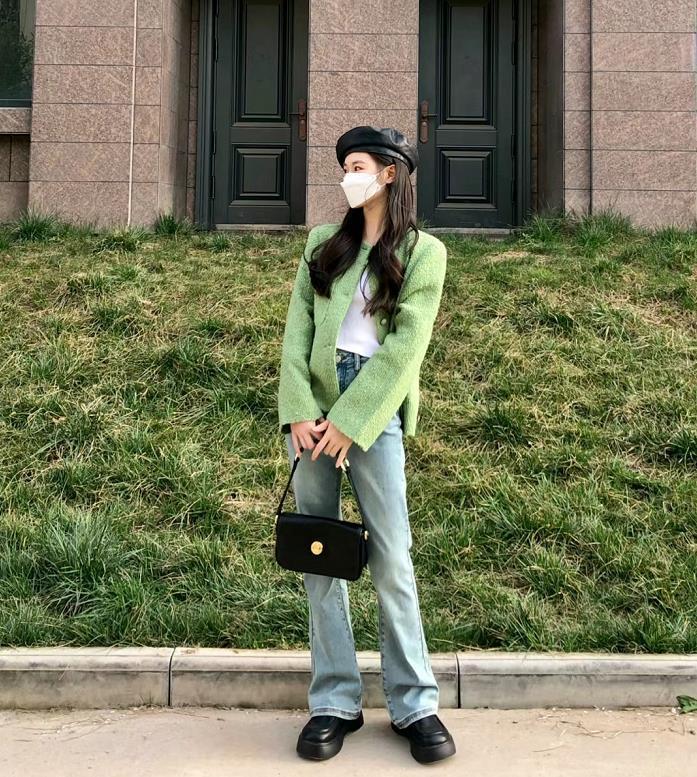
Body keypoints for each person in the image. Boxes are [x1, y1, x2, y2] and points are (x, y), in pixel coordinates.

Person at [277, 126, 455, 764]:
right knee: (319, 553)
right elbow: (297, 330)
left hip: (372, 410)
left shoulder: (423, 252)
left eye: (357, 165)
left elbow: (407, 347)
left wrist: (352, 421)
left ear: (388, 173)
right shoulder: (323, 244)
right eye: (344, 167)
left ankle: (415, 704)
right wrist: (300, 410)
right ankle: (334, 701)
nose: (347, 176)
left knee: (391, 558)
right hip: (313, 410)